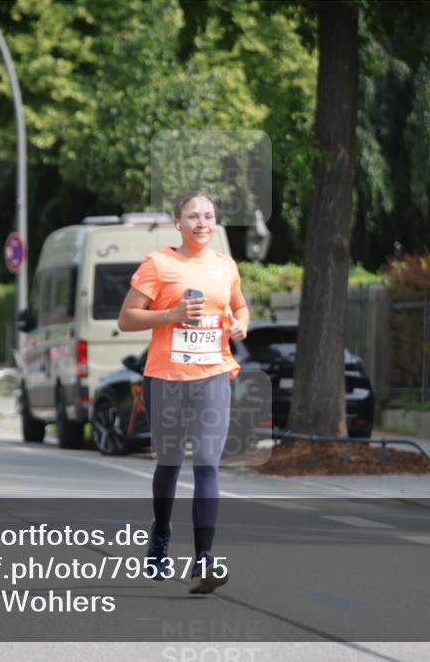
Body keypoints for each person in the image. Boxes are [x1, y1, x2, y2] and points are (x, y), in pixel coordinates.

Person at [117, 191, 249, 595]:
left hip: (213, 375)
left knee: (207, 463)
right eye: (193, 216)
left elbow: (241, 309)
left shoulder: (226, 267)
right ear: (178, 223)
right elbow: (126, 319)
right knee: (170, 462)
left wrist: (240, 325)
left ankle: (204, 558)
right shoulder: (159, 264)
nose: (201, 223)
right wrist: (171, 315)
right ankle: (160, 532)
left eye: (208, 216)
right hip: (166, 378)